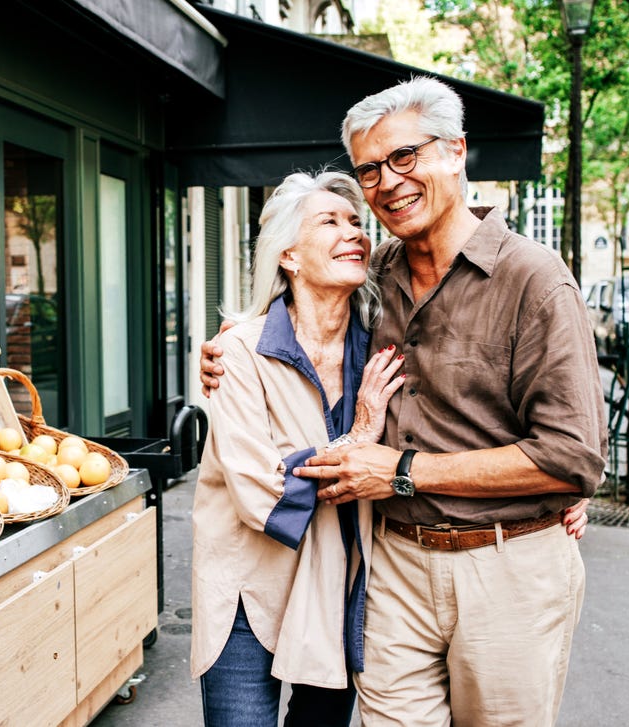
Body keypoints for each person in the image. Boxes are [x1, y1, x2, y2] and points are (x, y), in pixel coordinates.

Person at [200, 76, 605, 726]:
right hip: (393, 566)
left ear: (456, 151)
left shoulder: (535, 279)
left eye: (404, 157)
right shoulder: (376, 277)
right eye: (369, 169)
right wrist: (232, 340)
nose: (386, 181)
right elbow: (299, 317)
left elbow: (573, 455)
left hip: (505, 567)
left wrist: (400, 469)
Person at [192, 170, 405, 727]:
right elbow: (258, 490)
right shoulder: (240, 350)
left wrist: (554, 490)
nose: (354, 233)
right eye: (329, 221)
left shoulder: (381, 350)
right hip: (247, 588)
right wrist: (359, 440)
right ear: (288, 254)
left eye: (358, 222)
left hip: (338, 583)